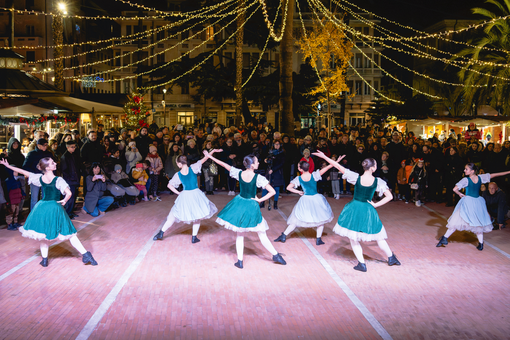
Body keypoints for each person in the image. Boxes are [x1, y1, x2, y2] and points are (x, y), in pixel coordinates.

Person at [0, 158, 98, 267]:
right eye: (52, 163)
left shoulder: (40, 178)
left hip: (42, 207)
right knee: (69, 233)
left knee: (43, 234)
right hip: (55, 207)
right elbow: (69, 193)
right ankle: (86, 254)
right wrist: (64, 201)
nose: (55, 163)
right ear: (47, 168)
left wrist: (8, 166)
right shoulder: (58, 180)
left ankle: (45, 260)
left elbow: (24, 172)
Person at [313, 151, 401, 272]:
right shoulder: (377, 181)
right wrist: (375, 205)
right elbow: (389, 196)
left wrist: (324, 157)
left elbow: (338, 166)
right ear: (373, 168)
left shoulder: (356, 177)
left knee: (353, 238)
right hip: (367, 209)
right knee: (379, 237)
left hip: (354, 208)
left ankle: (362, 264)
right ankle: (391, 258)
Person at [203, 151, 286, 269]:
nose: (259, 163)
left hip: (240, 203)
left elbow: (223, 165)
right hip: (251, 205)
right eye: (257, 162)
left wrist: (210, 156)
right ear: (252, 165)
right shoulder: (259, 178)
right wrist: (260, 200)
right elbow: (272, 191)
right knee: (262, 233)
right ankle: (276, 255)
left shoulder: (239, 173)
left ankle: (240, 261)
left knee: (240, 234)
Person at [437, 163, 510, 250]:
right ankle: (481, 244)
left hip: (468, 201)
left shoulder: (466, 180)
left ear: (472, 171)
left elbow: (454, 189)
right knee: (478, 223)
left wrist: (460, 194)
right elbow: (494, 175)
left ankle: (445, 238)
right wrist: (508, 172)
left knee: (456, 220)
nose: (464, 170)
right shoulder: (480, 178)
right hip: (478, 202)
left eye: (466, 169)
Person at [153, 153, 219, 243]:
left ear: (179, 164)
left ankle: (161, 233)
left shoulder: (178, 174)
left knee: (173, 214)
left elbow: (169, 185)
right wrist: (212, 152)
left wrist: (178, 193)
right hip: (196, 194)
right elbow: (205, 158)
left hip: (185, 195)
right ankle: (194, 237)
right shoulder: (193, 167)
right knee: (197, 216)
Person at [274, 158, 340, 245]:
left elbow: (288, 188)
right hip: (316, 199)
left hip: (305, 199)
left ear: (300, 169)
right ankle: (318, 239)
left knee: (296, 219)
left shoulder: (299, 178)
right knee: (320, 219)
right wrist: (336, 161)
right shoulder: (314, 175)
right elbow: (327, 168)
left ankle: (283, 236)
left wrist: (299, 192)